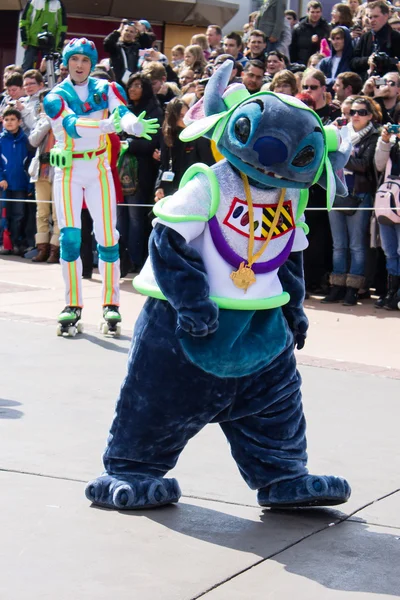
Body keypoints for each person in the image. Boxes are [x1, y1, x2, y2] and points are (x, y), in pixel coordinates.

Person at [42, 38, 159, 335]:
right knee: (69, 239)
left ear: (92, 64)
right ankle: (72, 304)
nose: (79, 65)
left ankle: (111, 304)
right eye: (74, 60)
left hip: (98, 168)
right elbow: (71, 125)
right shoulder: (55, 95)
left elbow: (123, 113)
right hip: (68, 171)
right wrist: (108, 127)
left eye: (84, 60)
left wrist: (133, 125)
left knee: (108, 238)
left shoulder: (106, 88)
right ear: (66, 63)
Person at [322, 96, 380, 305]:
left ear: (370, 116)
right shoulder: (341, 133)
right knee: (338, 244)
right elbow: (325, 155)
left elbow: (364, 164)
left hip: (360, 194)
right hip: (337, 192)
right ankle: (337, 285)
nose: (355, 116)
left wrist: (340, 154)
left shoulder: (373, 137)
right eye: (352, 112)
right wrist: (333, 134)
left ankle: (353, 289)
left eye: (361, 112)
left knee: (356, 245)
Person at [117, 73, 163, 272]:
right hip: (120, 170)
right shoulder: (125, 111)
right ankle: (121, 259)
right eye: (130, 86)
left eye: (138, 85)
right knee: (120, 217)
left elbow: (152, 143)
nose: (132, 89)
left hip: (142, 172)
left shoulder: (154, 110)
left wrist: (128, 144)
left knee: (136, 217)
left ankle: (136, 259)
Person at [154, 97, 214, 202]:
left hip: (195, 187)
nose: (185, 119)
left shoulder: (198, 134)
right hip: (172, 187)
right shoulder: (167, 135)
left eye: (187, 115)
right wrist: (159, 186)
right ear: (173, 118)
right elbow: (164, 165)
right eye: (181, 116)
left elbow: (208, 163)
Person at [28, 88, 59, 263]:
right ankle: (42, 247)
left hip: (58, 170)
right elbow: (33, 140)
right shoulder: (41, 120)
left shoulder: (64, 119)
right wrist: (47, 121)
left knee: (56, 213)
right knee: (42, 212)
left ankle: (55, 249)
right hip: (41, 170)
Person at [373, 107, 400, 309]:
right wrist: (384, 141)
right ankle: (392, 292)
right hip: (388, 202)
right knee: (390, 251)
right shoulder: (391, 142)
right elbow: (379, 165)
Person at [0, 107, 33, 256]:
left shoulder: (26, 140)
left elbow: (30, 164)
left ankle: (15, 242)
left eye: (13, 119)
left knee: (19, 215)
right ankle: (3, 243)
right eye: (6, 119)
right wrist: (1, 178)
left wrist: (29, 184)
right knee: (3, 215)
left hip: (20, 185)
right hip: (4, 185)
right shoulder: (1, 139)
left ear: (20, 122)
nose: (9, 122)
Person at [350, 0, 400, 80]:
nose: (372, 20)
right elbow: (353, 61)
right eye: (370, 17)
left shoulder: (395, 37)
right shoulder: (365, 37)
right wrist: (368, 60)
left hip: (388, 83)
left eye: (376, 16)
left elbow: (398, 61)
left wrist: (386, 60)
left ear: (386, 16)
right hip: (367, 81)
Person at [19, 0, 67, 72]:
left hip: (49, 44)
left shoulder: (58, 4)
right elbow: (24, 21)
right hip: (32, 42)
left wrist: (58, 47)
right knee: (27, 69)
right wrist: (25, 40)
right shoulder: (33, 2)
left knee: (50, 71)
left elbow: (62, 27)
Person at [103, 20, 151, 87]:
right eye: (126, 30)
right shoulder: (116, 47)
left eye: (131, 32)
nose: (128, 33)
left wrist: (141, 32)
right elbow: (107, 43)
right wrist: (118, 31)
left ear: (135, 35)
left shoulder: (136, 47)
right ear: (122, 32)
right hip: (116, 82)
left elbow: (148, 45)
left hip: (131, 82)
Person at [289, 1, 331, 67]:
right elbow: (292, 48)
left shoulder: (326, 27)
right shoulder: (298, 28)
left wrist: (318, 40)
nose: (315, 15)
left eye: (317, 12)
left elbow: (328, 46)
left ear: (321, 13)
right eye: (312, 12)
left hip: (319, 64)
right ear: (307, 12)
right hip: (301, 64)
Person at [318, 26, 354, 91]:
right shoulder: (325, 62)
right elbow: (318, 79)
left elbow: (347, 81)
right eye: (333, 39)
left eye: (338, 38)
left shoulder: (352, 62)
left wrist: (327, 81)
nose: (335, 42)